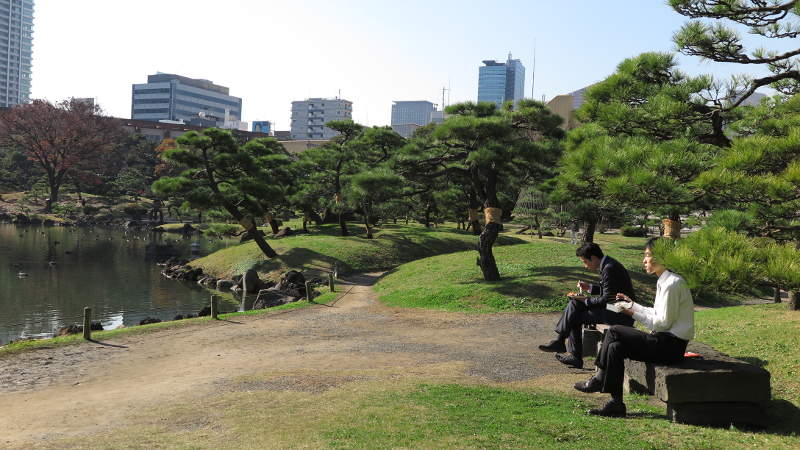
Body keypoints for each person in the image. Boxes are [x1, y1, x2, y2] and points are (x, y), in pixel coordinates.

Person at [573, 237, 694, 417]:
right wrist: (633, 304)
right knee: (615, 347)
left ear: (661, 257)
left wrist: (632, 313)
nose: (644, 260)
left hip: (670, 347)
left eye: (647, 256)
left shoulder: (673, 283)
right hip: (663, 341)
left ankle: (599, 378)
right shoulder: (664, 281)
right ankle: (616, 403)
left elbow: (662, 323)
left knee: (614, 331)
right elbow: (656, 313)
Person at [538, 242, 635, 369]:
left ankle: (568, 349)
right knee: (575, 304)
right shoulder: (609, 264)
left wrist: (585, 300)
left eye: (585, 262)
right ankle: (562, 343)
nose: (585, 266)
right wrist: (589, 288)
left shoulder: (609, 268)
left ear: (593, 257)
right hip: (615, 307)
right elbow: (608, 290)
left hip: (620, 312)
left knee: (575, 314)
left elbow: (607, 298)